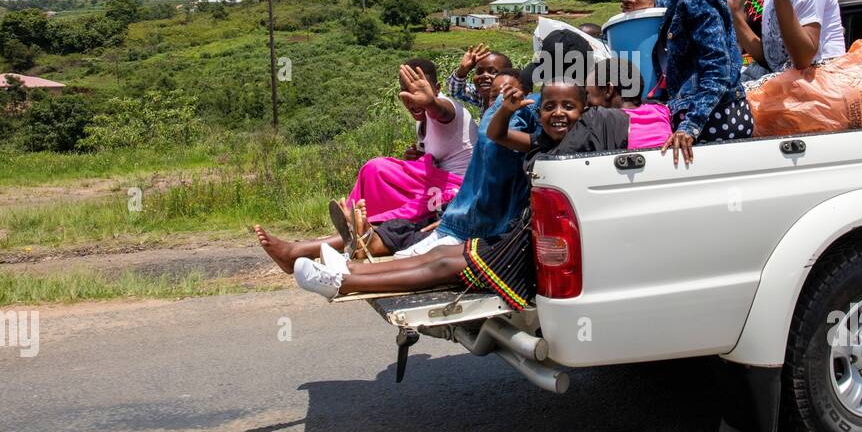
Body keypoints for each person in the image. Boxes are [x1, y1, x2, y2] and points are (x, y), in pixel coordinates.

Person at [287, 78, 629, 307]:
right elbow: (496, 136)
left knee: (443, 264)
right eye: (549, 107)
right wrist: (507, 110)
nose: (558, 114)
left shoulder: (579, 146)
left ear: (584, 114)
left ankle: (344, 282)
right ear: (538, 114)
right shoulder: (539, 142)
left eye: (568, 107)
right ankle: (347, 271)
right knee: (439, 257)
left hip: (527, 251)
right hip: (520, 237)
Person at [254, 69, 527, 270]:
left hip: (458, 200)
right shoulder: (491, 124)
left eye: (504, 95)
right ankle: (348, 236)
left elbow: (445, 111)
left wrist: (432, 103)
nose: (497, 101)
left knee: (409, 226)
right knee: (392, 200)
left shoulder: (506, 128)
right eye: (492, 96)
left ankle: (347, 248)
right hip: (456, 201)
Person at [652, 0, 752, 166]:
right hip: (716, 112)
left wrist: (691, 125)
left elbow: (717, 67)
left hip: (716, 117)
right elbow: (677, 7)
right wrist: (652, 1)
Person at [344, 59, 474, 222]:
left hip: (460, 189)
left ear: (437, 89)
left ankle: (368, 225)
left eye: (420, 90)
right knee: (375, 168)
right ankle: (354, 216)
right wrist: (420, 157)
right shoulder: (421, 121)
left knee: (413, 207)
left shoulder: (448, 107)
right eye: (407, 91)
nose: (414, 98)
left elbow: (441, 112)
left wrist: (431, 103)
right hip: (435, 182)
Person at [587, 57, 671, 149]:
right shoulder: (662, 110)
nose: (586, 101)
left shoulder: (598, 120)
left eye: (588, 94)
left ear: (608, 90)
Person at [447, 43, 512, 110]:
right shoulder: (481, 97)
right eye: (479, 72)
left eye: (493, 72)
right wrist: (462, 70)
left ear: (509, 77)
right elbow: (456, 91)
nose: (484, 75)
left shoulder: (513, 103)